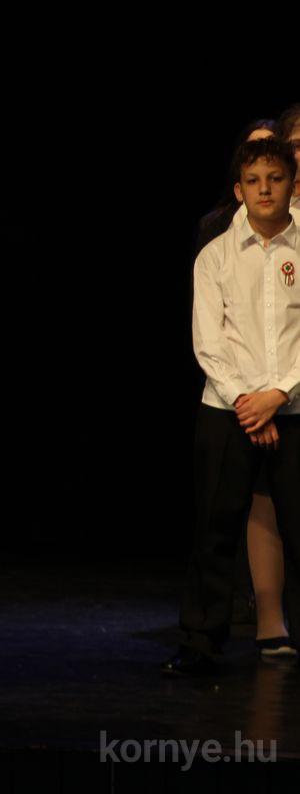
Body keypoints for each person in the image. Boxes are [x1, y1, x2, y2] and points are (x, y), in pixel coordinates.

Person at [165, 136, 300, 676]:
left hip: (294, 408)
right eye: (254, 181)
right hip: (228, 410)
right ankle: (201, 641)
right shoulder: (216, 254)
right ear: (239, 190)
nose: (265, 190)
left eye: (276, 179)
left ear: (291, 184)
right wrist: (248, 402)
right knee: (215, 529)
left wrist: (279, 393)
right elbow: (208, 340)